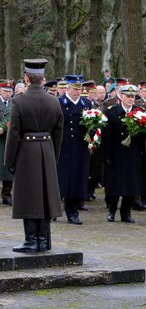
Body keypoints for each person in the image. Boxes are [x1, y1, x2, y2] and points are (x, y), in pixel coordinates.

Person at [6, 59, 63, 253]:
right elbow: (58, 132)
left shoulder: (19, 101)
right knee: (45, 195)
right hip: (47, 150)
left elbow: (13, 134)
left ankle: (31, 240)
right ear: (43, 79)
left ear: (26, 78)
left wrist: (10, 160)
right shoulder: (54, 101)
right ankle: (43, 239)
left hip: (27, 152)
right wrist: (53, 156)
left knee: (29, 196)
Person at [101, 85, 145, 224]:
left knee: (131, 185)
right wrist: (106, 156)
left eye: (133, 97)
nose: (131, 99)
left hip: (132, 154)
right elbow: (106, 136)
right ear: (121, 96)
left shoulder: (140, 113)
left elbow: (144, 136)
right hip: (116, 154)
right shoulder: (112, 112)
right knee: (114, 185)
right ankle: (112, 211)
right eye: (128, 96)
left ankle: (126, 212)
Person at [57, 75, 92, 225]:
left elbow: (93, 124)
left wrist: (92, 134)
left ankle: (73, 211)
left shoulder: (86, 103)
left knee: (78, 179)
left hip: (80, 147)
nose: (78, 91)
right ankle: (53, 209)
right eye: (75, 88)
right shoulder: (59, 103)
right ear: (68, 88)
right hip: (64, 148)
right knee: (62, 179)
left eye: (80, 88)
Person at [0, 81, 14, 206]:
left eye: (10, 92)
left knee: (7, 169)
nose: (8, 94)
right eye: (6, 91)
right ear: (0, 91)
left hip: (9, 140)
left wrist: (5, 128)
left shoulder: (14, 104)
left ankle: (6, 194)